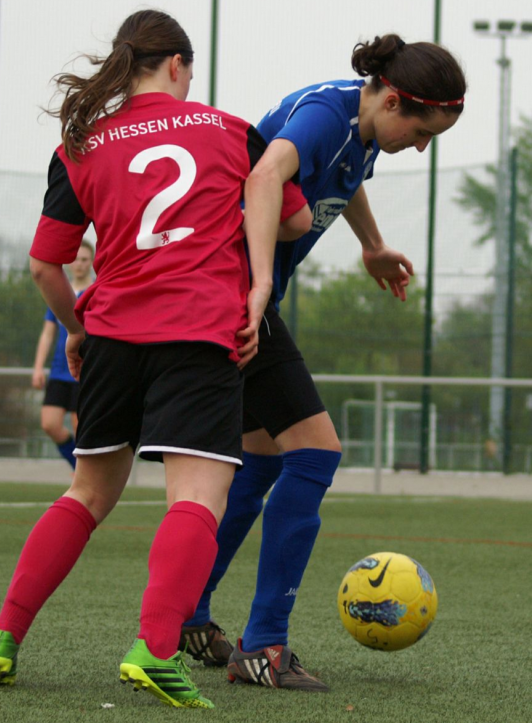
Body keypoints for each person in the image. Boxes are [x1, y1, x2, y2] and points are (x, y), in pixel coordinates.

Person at [0, 9, 308, 709]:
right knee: (197, 499)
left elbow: (44, 266)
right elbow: (294, 218)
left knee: (86, 494)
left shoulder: (80, 143)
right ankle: (154, 650)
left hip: (113, 338)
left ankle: (3, 637)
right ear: (178, 65)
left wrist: (78, 329)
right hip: (199, 333)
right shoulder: (231, 130)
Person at [180, 34, 467, 691]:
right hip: (229, 293)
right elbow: (263, 176)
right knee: (315, 453)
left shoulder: (358, 128)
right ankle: (263, 646)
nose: (421, 147)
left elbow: (345, 176)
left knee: (261, 459)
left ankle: (187, 617)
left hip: (230, 294)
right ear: (391, 101)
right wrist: (259, 285)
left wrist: (371, 245)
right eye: (422, 132)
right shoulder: (323, 115)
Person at [31, 240, 94, 469]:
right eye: (76, 259)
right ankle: (78, 470)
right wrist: (38, 367)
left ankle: (84, 478)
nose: (79, 264)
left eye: (84, 259)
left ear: (92, 262)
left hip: (84, 370)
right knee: (49, 424)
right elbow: (48, 333)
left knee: (80, 428)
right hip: (59, 371)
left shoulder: (95, 293)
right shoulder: (60, 293)